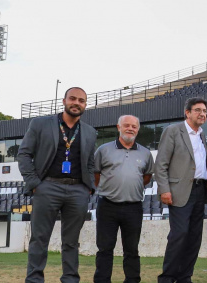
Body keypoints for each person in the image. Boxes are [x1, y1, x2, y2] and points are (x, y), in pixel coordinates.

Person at [18, 87, 96, 283]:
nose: (76, 103)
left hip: (78, 190)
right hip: (47, 187)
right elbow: (24, 154)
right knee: (39, 239)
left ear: (85, 105)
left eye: (81, 100)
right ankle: (34, 280)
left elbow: (90, 162)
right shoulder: (40, 123)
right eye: (72, 98)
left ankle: (70, 279)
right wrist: (35, 183)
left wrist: (89, 187)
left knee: (71, 242)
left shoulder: (89, 131)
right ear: (64, 101)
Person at [156, 97, 207, 283]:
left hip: (200, 190)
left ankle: (185, 277)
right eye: (198, 110)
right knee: (179, 235)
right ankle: (167, 278)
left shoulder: (202, 135)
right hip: (179, 191)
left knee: (194, 238)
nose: (202, 114)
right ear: (187, 113)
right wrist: (164, 189)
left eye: (204, 111)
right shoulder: (173, 131)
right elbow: (161, 164)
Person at [93, 115, 154, 283]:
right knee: (105, 248)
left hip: (133, 207)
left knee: (132, 249)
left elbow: (146, 177)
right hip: (107, 206)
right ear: (118, 127)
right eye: (126, 125)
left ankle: (132, 280)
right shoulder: (103, 150)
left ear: (138, 129)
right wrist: (110, 188)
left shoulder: (145, 153)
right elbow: (96, 175)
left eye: (134, 126)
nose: (130, 129)